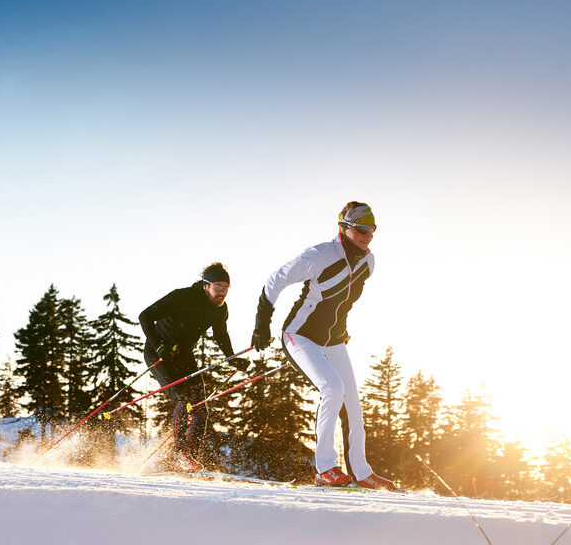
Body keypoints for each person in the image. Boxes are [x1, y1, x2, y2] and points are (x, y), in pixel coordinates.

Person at [251, 202, 396, 490]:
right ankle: (325, 468)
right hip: (300, 335)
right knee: (332, 387)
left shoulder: (368, 262)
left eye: (372, 230)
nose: (367, 235)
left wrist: (342, 328)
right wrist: (261, 324)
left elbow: (341, 301)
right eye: (361, 229)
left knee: (353, 406)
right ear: (343, 227)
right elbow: (276, 279)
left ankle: (361, 472)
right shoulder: (320, 255)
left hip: (334, 340)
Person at [139, 262, 249, 472]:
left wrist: (232, 358)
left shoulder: (220, 309)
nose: (222, 292)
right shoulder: (182, 296)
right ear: (205, 285)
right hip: (159, 352)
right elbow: (145, 316)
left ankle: (188, 459)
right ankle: (180, 456)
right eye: (218, 286)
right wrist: (159, 345)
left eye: (226, 288)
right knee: (183, 397)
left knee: (200, 407)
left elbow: (220, 335)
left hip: (184, 355)